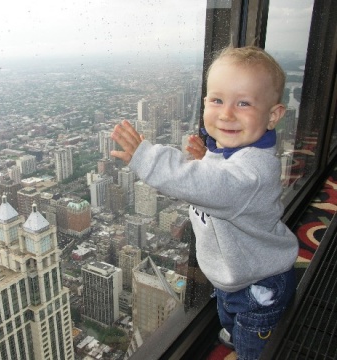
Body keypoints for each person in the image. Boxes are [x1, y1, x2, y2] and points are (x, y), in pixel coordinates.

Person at [111, 45, 298, 360]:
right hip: (232, 272)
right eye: (217, 100)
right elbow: (223, 178)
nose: (226, 113)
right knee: (228, 314)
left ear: (273, 115)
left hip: (258, 287)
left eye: (244, 103)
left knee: (255, 349)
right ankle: (235, 330)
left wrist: (148, 158)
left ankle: (247, 341)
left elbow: (215, 186)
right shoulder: (233, 152)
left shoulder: (255, 171)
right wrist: (207, 157)